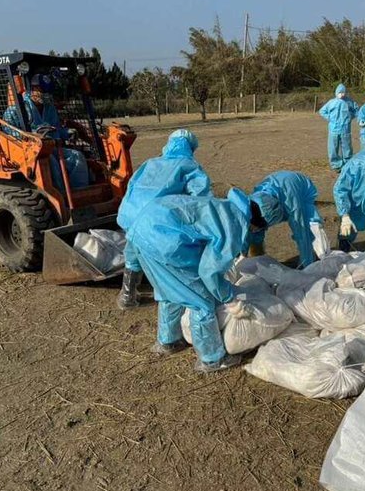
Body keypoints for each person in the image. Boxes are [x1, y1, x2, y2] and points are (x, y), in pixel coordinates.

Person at [126, 188, 267, 372]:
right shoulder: (234, 223)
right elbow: (209, 271)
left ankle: (168, 341)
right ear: (252, 223)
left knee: (170, 291)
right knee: (201, 302)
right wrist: (229, 298)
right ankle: (212, 359)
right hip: (165, 243)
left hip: (143, 231)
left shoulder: (222, 207)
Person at [116, 129, 212, 310]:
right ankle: (173, 296)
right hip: (154, 221)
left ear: (168, 145)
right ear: (190, 148)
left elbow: (131, 187)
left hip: (131, 214)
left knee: (133, 251)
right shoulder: (189, 166)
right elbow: (201, 199)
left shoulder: (150, 163)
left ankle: (127, 295)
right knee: (167, 260)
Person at [3, 74, 89, 189]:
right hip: (30, 151)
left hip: (52, 147)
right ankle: (60, 193)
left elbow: (56, 129)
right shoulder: (16, 110)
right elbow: (8, 130)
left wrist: (67, 132)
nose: (45, 94)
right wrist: (31, 137)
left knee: (77, 157)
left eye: (47, 91)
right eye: (42, 90)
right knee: (51, 163)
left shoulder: (50, 108)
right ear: (32, 89)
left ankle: (79, 190)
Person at [248, 171, 329, 268]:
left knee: (311, 225)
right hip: (272, 196)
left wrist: (307, 265)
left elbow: (301, 231)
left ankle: (324, 258)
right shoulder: (252, 203)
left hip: (298, 191)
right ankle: (257, 261)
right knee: (254, 232)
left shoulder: (292, 203)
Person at [318, 83, 358, 171]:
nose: (342, 94)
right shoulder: (331, 102)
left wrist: (350, 116)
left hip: (345, 129)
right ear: (336, 92)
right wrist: (330, 118)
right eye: (340, 92)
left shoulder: (349, 102)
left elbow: (356, 110)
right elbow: (322, 111)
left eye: (343, 92)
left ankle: (348, 164)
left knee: (347, 147)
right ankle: (336, 165)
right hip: (334, 129)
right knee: (333, 148)